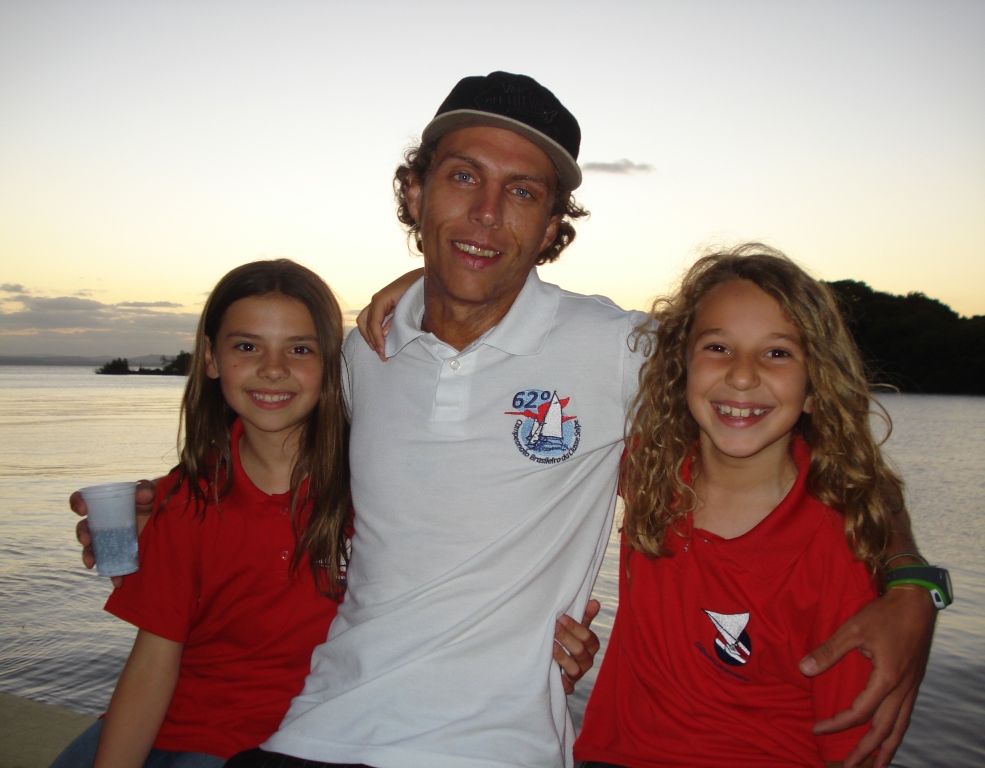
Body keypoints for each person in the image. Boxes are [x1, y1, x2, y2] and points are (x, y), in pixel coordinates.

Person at [79, 73, 935, 768]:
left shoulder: (617, 349)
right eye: (463, 178)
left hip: (496, 746)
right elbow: (269, 451)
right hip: (321, 729)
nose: (487, 213)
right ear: (414, 192)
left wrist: (910, 584)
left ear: (553, 225)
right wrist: (163, 502)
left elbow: (816, 446)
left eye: (521, 192)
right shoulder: (357, 357)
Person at [573, 244, 949, 768]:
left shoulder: (836, 545)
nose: (743, 375)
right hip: (612, 755)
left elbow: (854, 747)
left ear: (816, 387)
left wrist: (915, 582)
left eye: (777, 353)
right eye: (718, 347)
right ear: (680, 371)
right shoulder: (652, 471)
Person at [53, 259, 352, 768]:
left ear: (332, 363)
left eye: (300, 349)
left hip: (297, 739)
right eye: (247, 347)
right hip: (180, 726)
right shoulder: (183, 504)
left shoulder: (369, 489)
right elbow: (153, 665)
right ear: (211, 359)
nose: (273, 368)